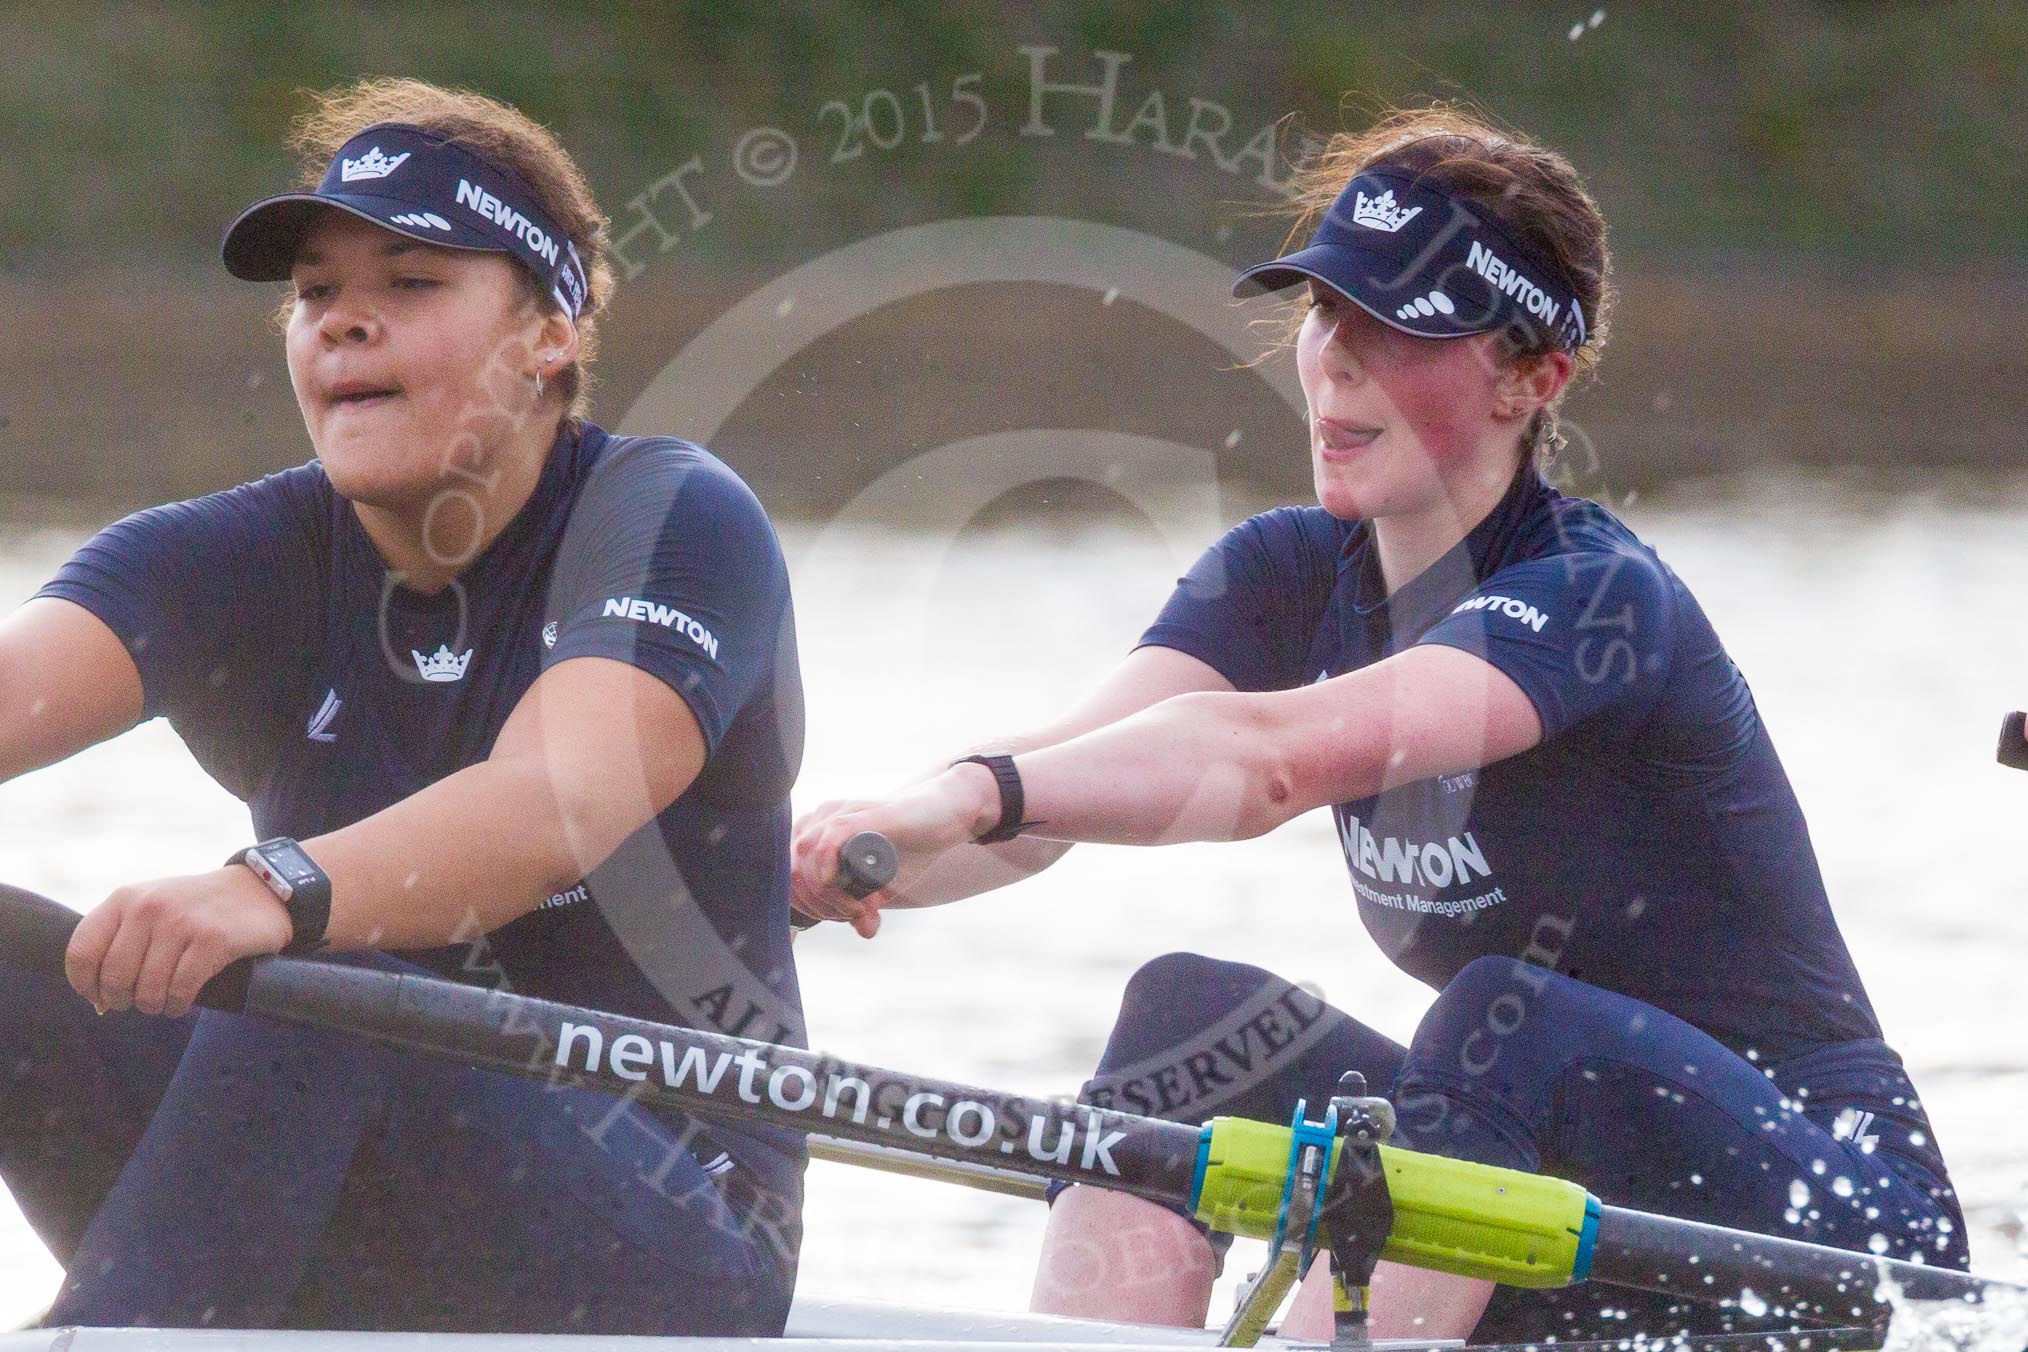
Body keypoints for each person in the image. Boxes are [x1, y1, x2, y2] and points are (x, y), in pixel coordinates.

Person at [789, 104, 1965, 1344]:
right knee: (1182, 1018)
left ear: (1532, 377)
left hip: (1832, 1237)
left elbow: (1266, 761)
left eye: (1398, 325)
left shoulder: (1598, 599)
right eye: (1324, 311)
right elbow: (1043, 807)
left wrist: (971, 790)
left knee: (1501, 1021)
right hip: (1563, 1208)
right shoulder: (1286, 573)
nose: (1335, 360)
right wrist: (802, 866)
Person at [0, 79, 805, 1334]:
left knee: (326, 975)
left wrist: (273, 888)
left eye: (411, 284)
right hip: (312, 1165)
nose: (344, 327)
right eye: (318, 294)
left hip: (669, 1208)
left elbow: (562, 797)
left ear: (550, 329)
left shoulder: (669, 521)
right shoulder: (231, 556)